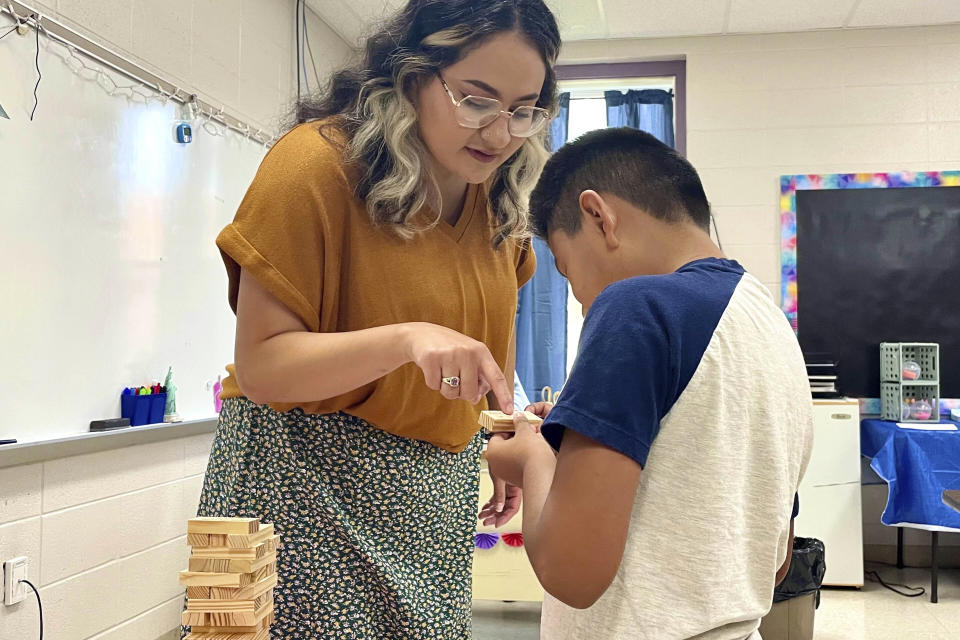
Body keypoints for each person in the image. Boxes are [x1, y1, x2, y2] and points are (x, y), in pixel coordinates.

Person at [194, 1, 561, 637]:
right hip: (293, 494)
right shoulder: (313, 166)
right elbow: (263, 367)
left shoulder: (504, 204)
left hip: (430, 512)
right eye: (476, 100)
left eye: (524, 110)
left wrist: (496, 433)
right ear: (412, 74)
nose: (501, 134)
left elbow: (478, 365)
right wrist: (405, 341)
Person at [486, 127, 814, 640]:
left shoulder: (635, 308)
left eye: (568, 271)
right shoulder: (770, 324)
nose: (578, 298)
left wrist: (532, 457)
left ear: (599, 217)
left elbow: (571, 574)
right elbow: (773, 557)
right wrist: (576, 438)